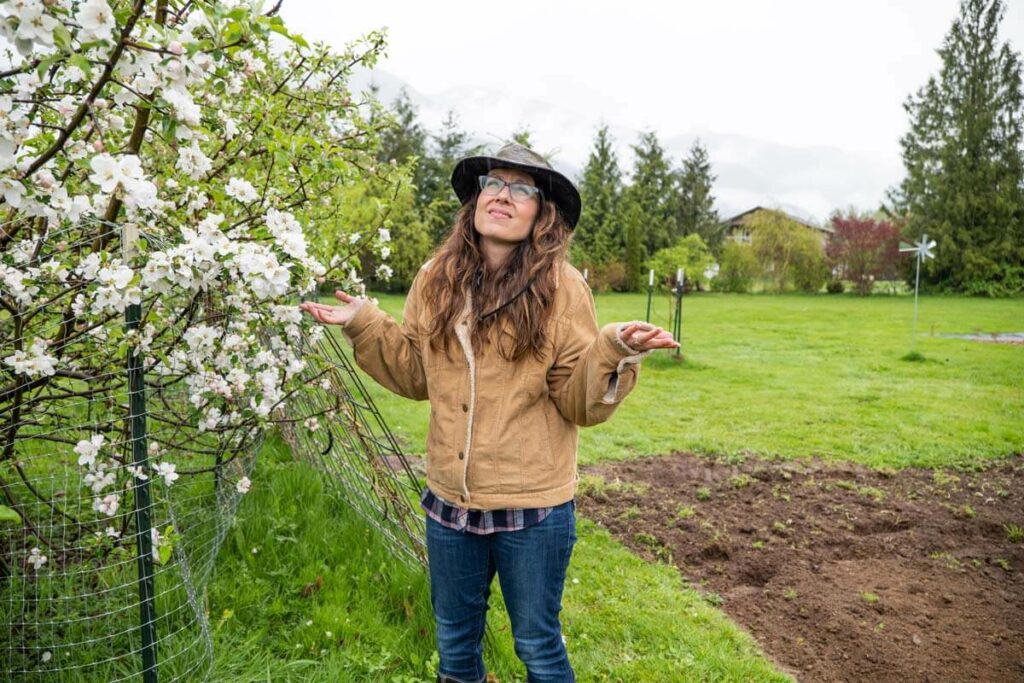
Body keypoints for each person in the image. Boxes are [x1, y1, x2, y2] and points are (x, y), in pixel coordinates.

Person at [299, 143, 678, 683]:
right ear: (475, 201)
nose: (502, 195)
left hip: (534, 510)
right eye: (493, 184)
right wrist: (365, 320)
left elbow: (578, 402)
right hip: (450, 505)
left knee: (539, 647)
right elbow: (414, 373)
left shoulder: (564, 289)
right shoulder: (436, 277)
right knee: (455, 649)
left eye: (521, 188)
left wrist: (613, 348)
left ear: (541, 212)